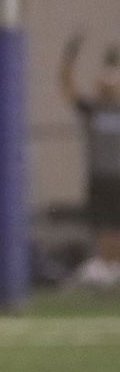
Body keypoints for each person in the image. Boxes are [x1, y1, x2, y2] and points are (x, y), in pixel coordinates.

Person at [59, 35, 120, 279]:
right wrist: (70, 55)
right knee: (103, 224)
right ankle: (106, 267)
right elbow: (67, 86)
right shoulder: (93, 109)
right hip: (101, 176)